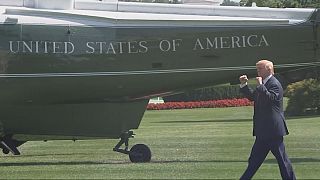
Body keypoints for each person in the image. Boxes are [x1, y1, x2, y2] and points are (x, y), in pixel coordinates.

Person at [239, 60, 296, 180]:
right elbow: (253, 97)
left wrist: (260, 86)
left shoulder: (274, 83)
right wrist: (244, 85)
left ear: (269, 69)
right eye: (257, 68)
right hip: (263, 131)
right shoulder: (264, 83)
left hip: (273, 130)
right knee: (254, 161)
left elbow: (270, 98)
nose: (258, 71)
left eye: (260, 68)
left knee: (282, 161)